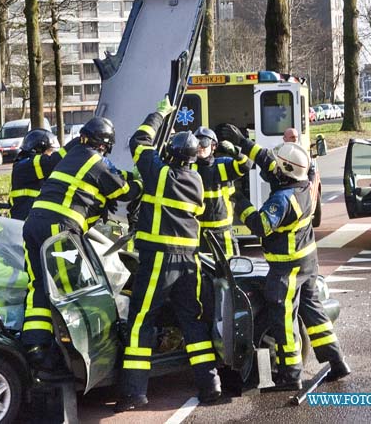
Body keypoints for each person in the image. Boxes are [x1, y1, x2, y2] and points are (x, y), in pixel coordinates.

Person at [219, 126, 350, 390]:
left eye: (280, 166)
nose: (274, 168)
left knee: (284, 318)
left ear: (287, 170)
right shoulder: (300, 183)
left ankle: (290, 376)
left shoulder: (283, 200)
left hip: (287, 267)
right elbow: (270, 163)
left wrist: (236, 197)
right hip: (307, 262)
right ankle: (337, 361)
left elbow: (259, 225)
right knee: (314, 313)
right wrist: (243, 142)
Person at [115, 97, 221, 413]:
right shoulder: (197, 182)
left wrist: (160, 113)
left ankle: (134, 392)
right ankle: (210, 384)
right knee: (193, 323)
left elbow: (139, 140)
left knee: (141, 321)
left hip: (158, 260)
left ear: (171, 155)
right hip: (189, 263)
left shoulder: (158, 174)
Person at [21, 116, 141, 370]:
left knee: (40, 285)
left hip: (33, 224)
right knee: (72, 287)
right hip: (59, 229)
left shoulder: (72, 156)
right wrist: (141, 181)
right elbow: (123, 191)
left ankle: (35, 345)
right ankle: (75, 350)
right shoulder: (95, 161)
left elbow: (110, 177)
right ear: (105, 144)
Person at [192, 126, 252, 257]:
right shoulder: (189, 167)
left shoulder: (223, 165)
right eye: (197, 143)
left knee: (230, 271)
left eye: (204, 143)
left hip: (222, 233)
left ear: (213, 146)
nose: (200, 147)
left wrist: (236, 153)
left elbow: (246, 165)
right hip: (196, 233)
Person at [8, 128, 66, 220]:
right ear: (38, 150)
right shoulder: (24, 166)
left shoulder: (31, 166)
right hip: (22, 222)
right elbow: (51, 162)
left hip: (34, 218)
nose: (52, 155)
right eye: (51, 151)